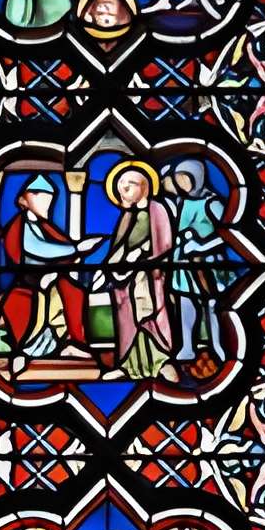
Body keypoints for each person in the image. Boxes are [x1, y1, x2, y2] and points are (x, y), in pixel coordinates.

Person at [0, 175, 91, 364]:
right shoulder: (20, 226)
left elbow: (58, 250)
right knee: (40, 306)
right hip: (27, 285)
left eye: (50, 201)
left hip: (47, 281)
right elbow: (36, 248)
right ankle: (31, 348)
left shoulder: (43, 226)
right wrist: (76, 248)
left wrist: (71, 254)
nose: (48, 206)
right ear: (24, 200)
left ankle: (72, 343)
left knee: (73, 292)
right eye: (43, 200)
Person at [99, 160, 177, 381]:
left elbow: (165, 244)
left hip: (149, 279)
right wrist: (115, 266)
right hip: (125, 282)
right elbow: (118, 248)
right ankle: (129, 366)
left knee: (150, 317)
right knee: (128, 322)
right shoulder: (126, 217)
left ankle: (161, 361)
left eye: (130, 183)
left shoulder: (157, 209)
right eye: (121, 184)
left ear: (145, 186)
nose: (123, 188)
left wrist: (143, 259)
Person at [165, 161, 234, 367]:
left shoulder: (211, 203)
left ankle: (218, 347)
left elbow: (229, 235)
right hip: (182, 262)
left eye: (186, 178)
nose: (182, 183)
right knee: (185, 304)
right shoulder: (181, 202)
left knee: (212, 304)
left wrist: (201, 247)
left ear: (198, 177)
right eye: (179, 179)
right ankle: (187, 347)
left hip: (208, 264)